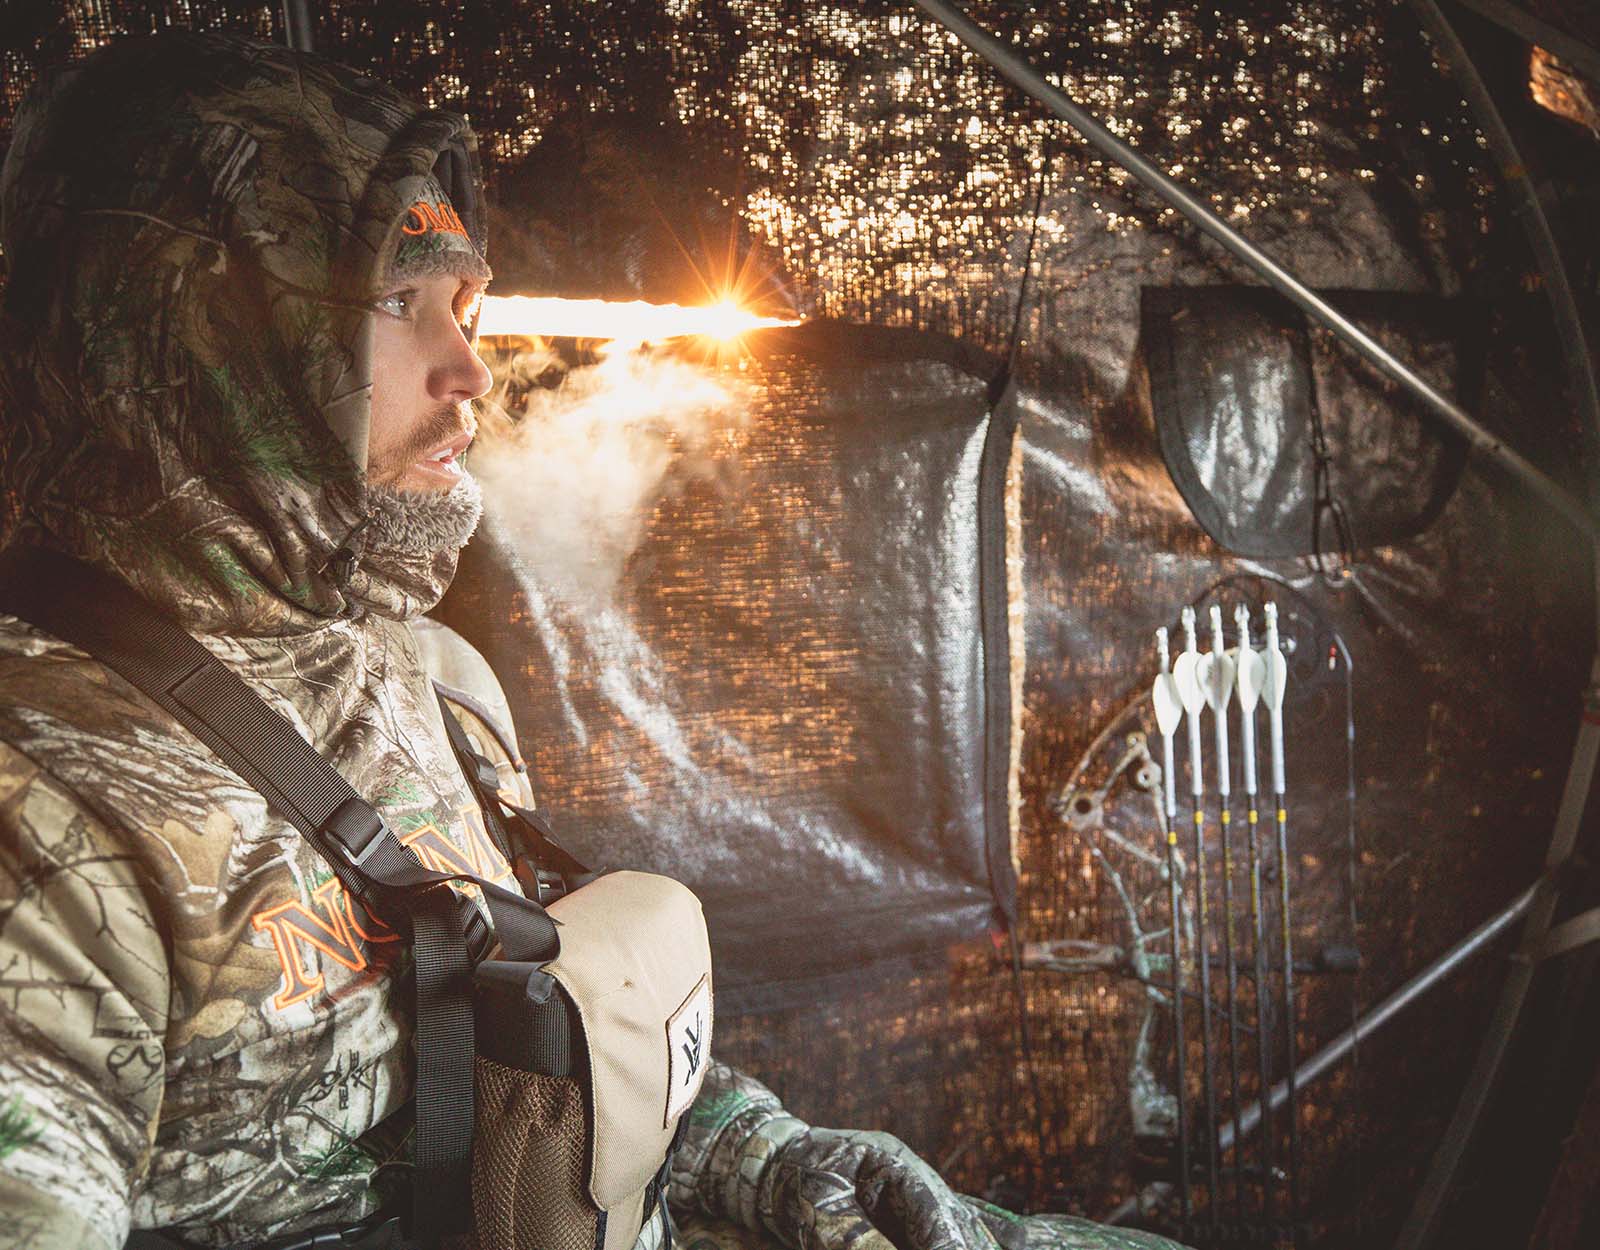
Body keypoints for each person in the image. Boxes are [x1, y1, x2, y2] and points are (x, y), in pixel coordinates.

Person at [0, 31, 1186, 1250]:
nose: (469, 369)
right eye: (397, 306)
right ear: (190, 333)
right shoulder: (41, 817)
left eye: (466, 306)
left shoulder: (417, 673)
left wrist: (763, 1160)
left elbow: (534, 1030)